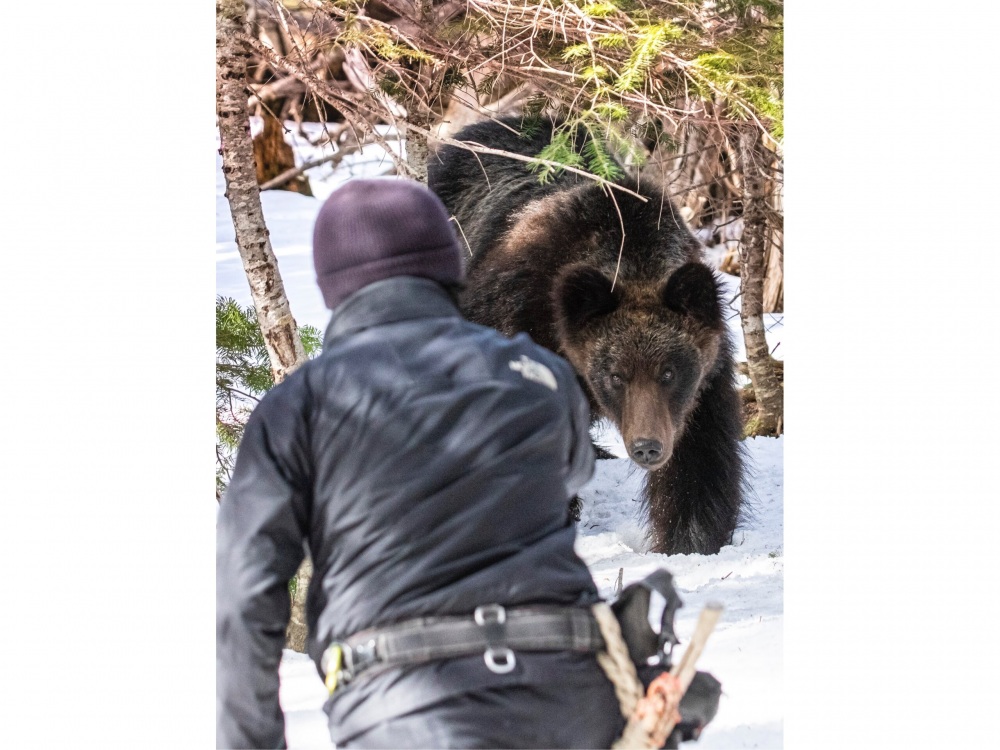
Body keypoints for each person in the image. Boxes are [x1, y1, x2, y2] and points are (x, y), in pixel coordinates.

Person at [216, 178, 716, 749]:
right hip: (570, 694)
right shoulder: (539, 376)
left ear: (333, 288)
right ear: (450, 268)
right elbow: (569, 476)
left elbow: (242, 594)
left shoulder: (296, 408)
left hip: (400, 705)